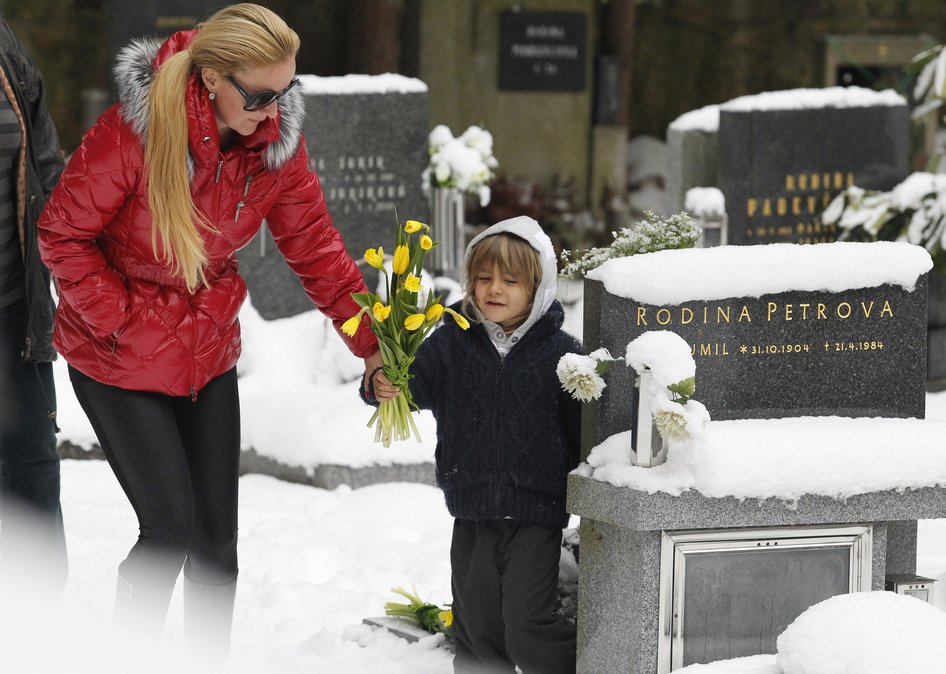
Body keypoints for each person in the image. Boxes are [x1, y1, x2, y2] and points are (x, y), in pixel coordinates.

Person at [36, 3, 381, 653]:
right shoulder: (131, 135)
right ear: (213, 79)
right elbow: (62, 234)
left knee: (217, 546)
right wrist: (124, 320)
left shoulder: (273, 148)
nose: (274, 110)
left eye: (287, 91)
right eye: (259, 95)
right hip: (116, 360)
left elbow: (317, 248)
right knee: (168, 530)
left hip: (206, 352)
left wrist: (372, 346)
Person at [368, 215, 580, 674]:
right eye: (483, 278)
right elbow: (411, 383)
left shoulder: (563, 354)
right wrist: (382, 382)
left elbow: (584, 429)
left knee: (527, 626)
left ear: (539, 286)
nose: (494, 289)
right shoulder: (450, 343)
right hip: (472, 510)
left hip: (535, 515)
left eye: (510, 280)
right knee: (477, 627)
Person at [0, 16, 67, 590]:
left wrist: (80, 246)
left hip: (12, 307)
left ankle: (40, 627)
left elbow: (43, 159)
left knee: (31, 466)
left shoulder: (2, 41)